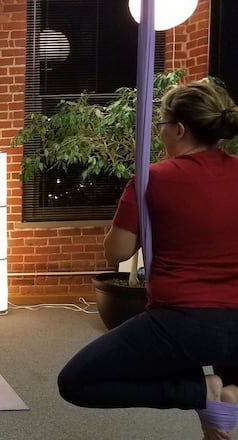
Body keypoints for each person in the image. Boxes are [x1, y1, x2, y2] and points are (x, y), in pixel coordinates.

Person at [57, 80, 238, 440]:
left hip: (182, 323)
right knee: (225, 400)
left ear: (179, 129)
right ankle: (221, 398)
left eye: (161, 125)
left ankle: (196, 392)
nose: (160, 134)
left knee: (75, 382)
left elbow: (117, 252)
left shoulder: (153, 178)